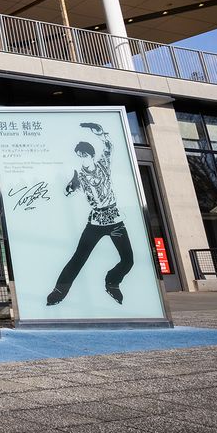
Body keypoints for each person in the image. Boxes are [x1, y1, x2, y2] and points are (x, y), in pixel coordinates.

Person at [47, 122, 134, 306]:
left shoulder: (103, 165)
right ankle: (59, 291)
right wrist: (70, 187)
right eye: (79, 156)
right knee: (79, 258)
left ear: (92, 155)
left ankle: (112, 281)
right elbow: (68, 190)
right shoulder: (80, 175)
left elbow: (110, 147)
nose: (83, 158)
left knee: (128, 259)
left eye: (85, 155)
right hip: (95, 222)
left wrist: (101, 133)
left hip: (114, 220)